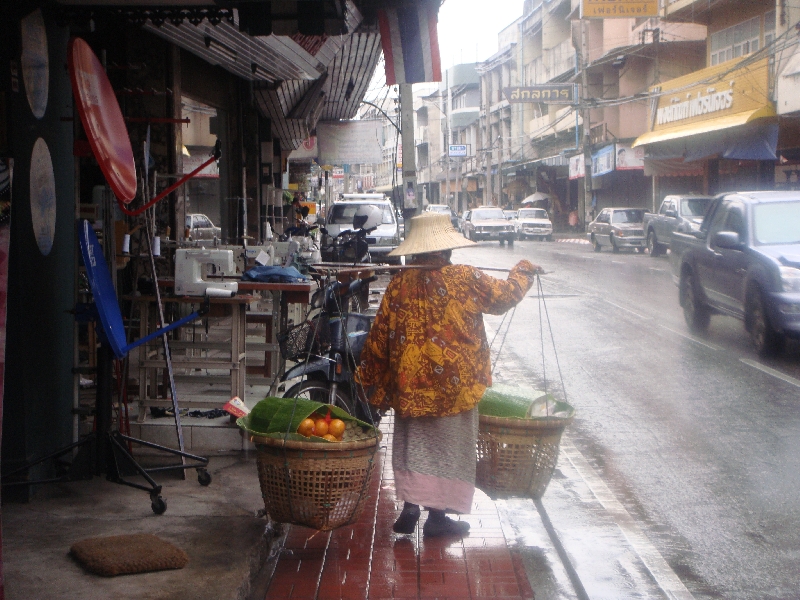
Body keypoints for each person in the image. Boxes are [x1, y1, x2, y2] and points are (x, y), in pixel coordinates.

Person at [356, 213, 538, 537]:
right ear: (446, 250)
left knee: (417, 446)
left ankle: (413, 503)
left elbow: (379, 335)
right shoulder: (464, 278)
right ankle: (437, 516)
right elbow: (503, 296)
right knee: (449, 451)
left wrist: (370, 377)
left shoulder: (399, 283)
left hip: (412, 385)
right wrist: (523, 271)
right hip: (456, 385)